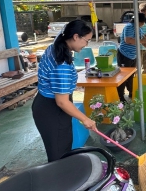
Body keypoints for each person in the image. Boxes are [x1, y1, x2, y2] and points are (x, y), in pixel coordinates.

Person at [32, 19, 97, 162]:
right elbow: (62, 102)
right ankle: (58, 181)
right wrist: (86, 119)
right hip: (52, 110)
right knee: (59, 155)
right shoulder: (62, 65)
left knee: (60, 148)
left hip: (43, 103)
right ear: (75, 37)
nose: (87, 45)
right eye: (87, 40)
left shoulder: (56, 44)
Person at [117, 12, 146, 103]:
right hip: (124, 55)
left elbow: (144, 43)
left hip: (133, 55)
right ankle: (120, 96)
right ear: (137, 21)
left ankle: (131, 93)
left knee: (131, 76)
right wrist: (143, 40)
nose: (142, 25)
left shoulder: (138, 29)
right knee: (123, 77)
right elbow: (128, 40)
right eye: (142, 23)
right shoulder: (129, 27)